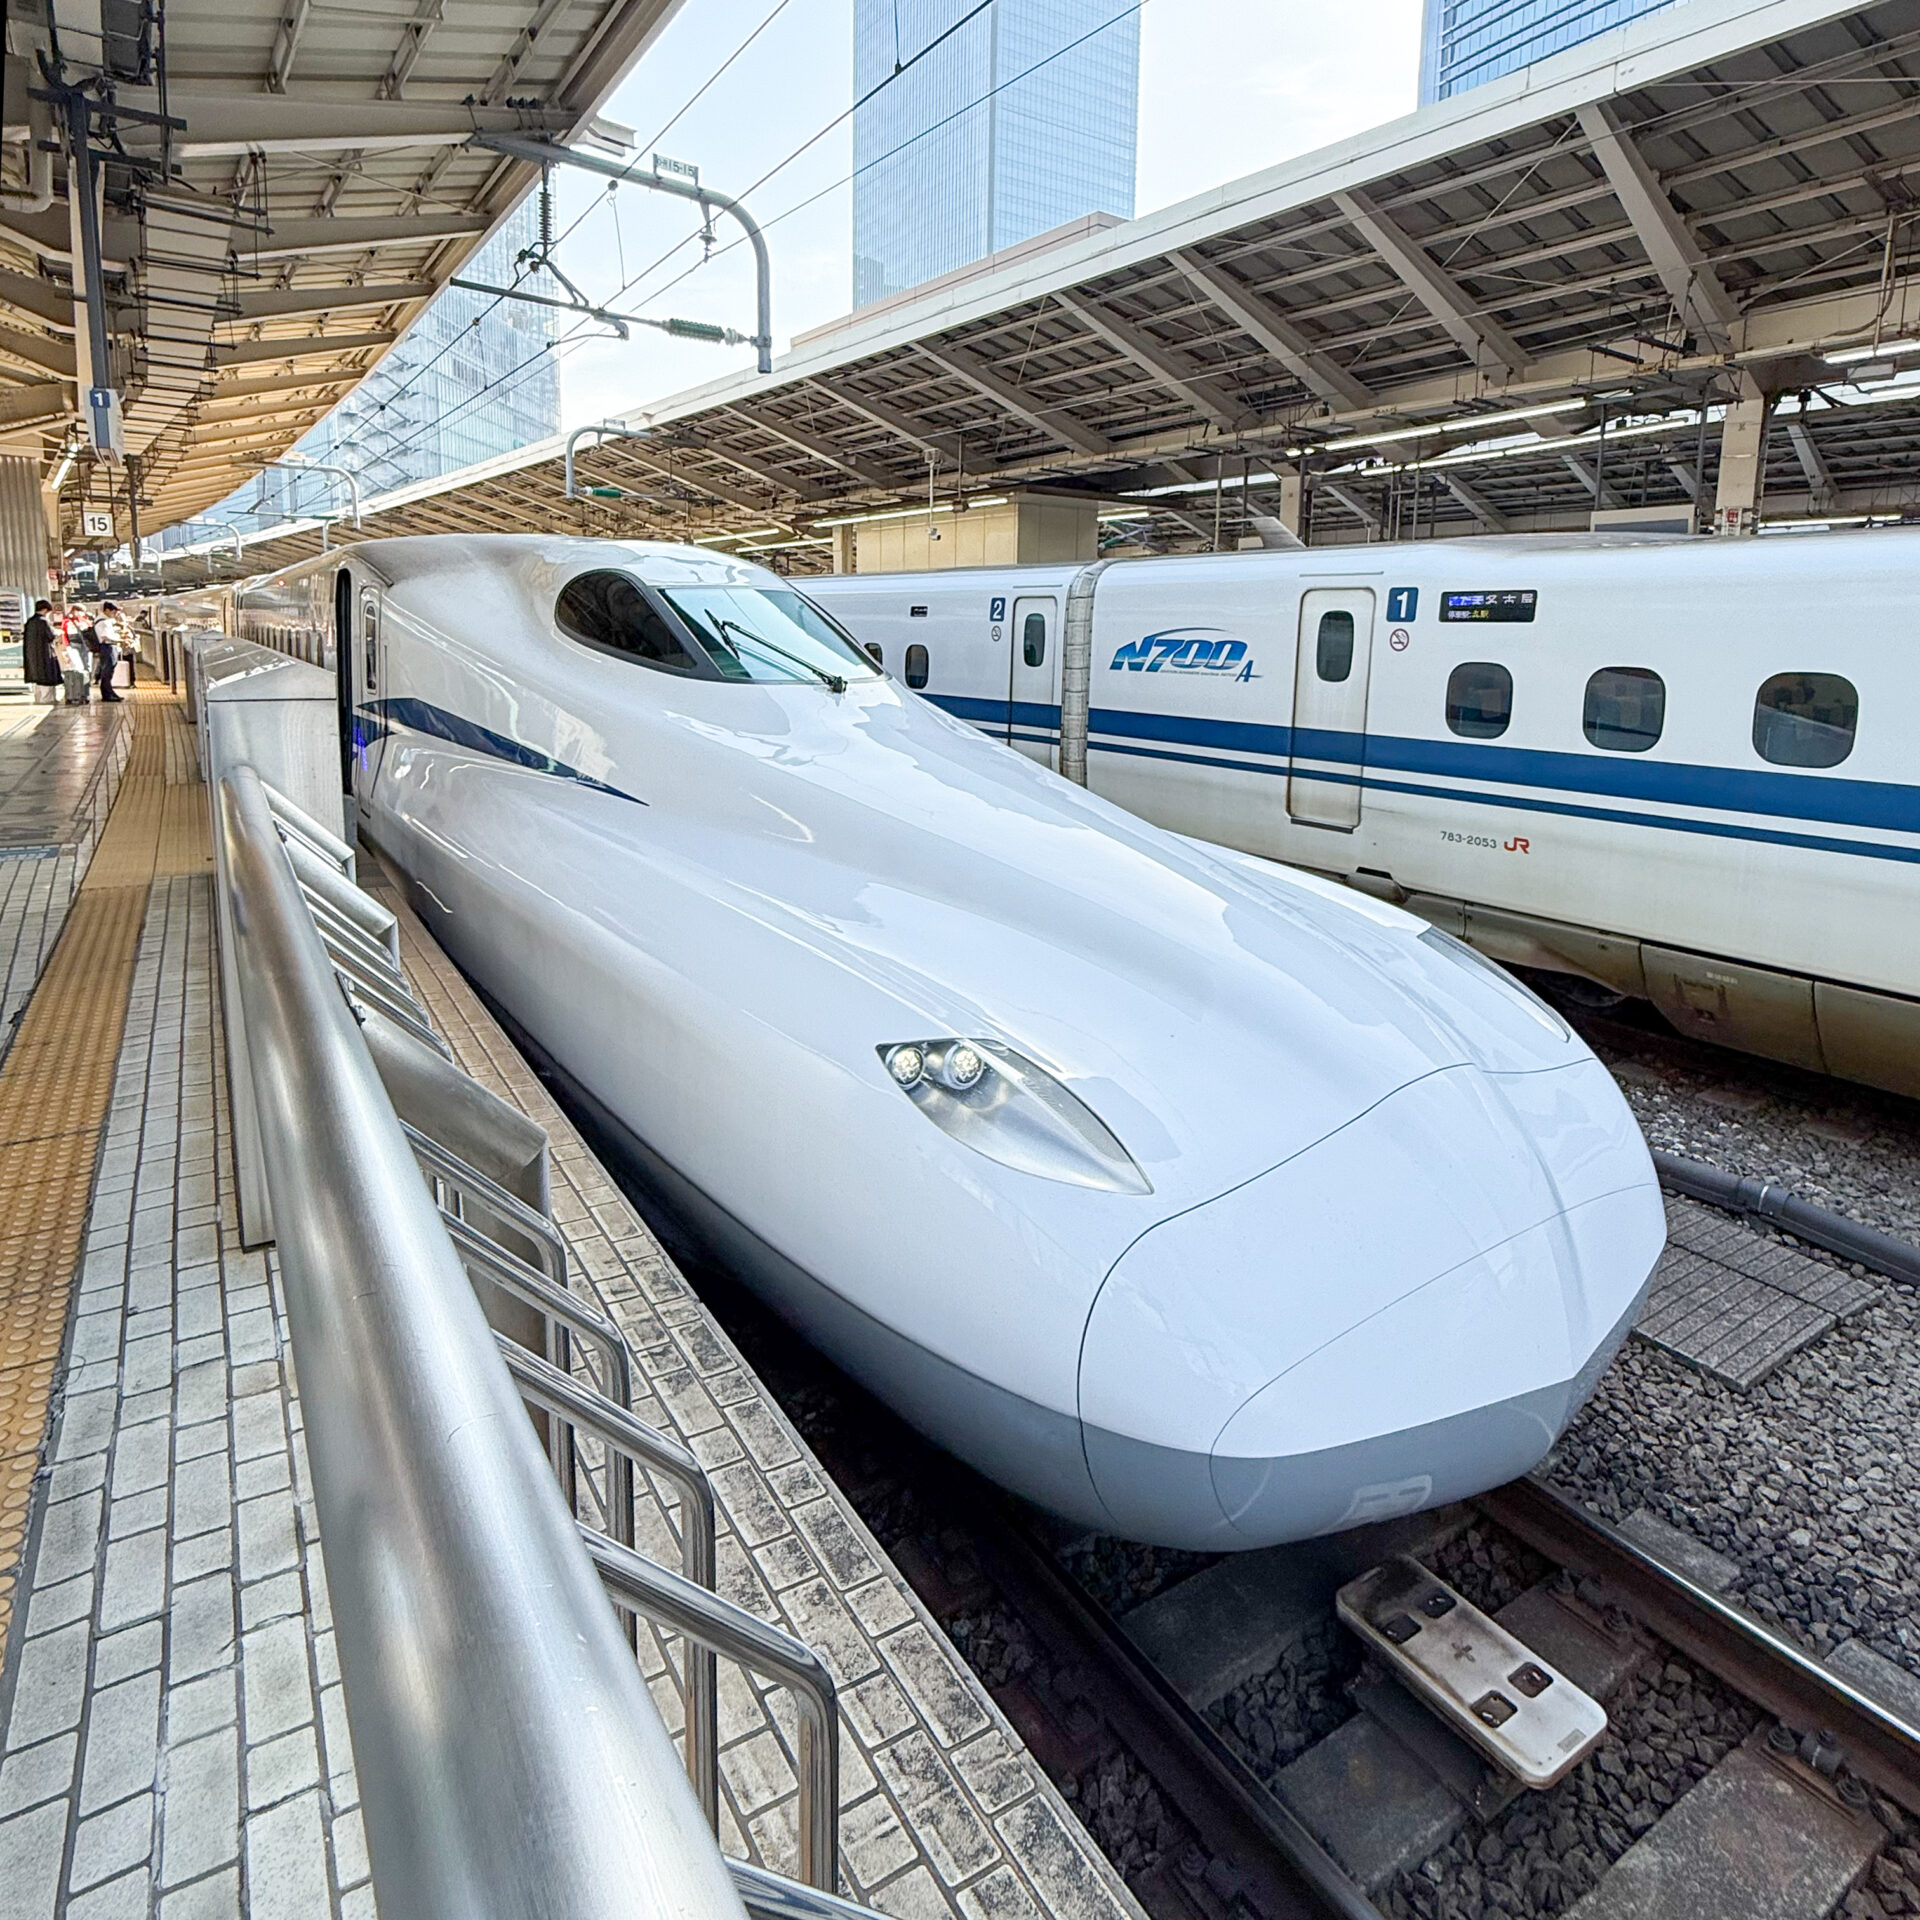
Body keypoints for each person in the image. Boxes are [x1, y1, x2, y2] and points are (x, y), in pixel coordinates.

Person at [21, 599, 59, 704]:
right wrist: (57, 633)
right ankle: (47, 699)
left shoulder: (29, 622)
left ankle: (38, 699)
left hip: (31, 655)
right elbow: (50, 636)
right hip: (44, 654)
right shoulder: (43, 621)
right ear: (45, 610)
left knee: (36, 678)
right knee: (46, 676)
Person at [91, 601, 124, 702]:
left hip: (106, 647)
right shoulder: (104, 622)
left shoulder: (101, 620)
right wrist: (120, 639)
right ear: (106, 610)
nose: (114, 614)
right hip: (107, 647)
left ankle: (109, 693)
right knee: (107, 672)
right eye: (113, 611)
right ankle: (108, 695)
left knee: (107, 671)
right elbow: (105, 636)